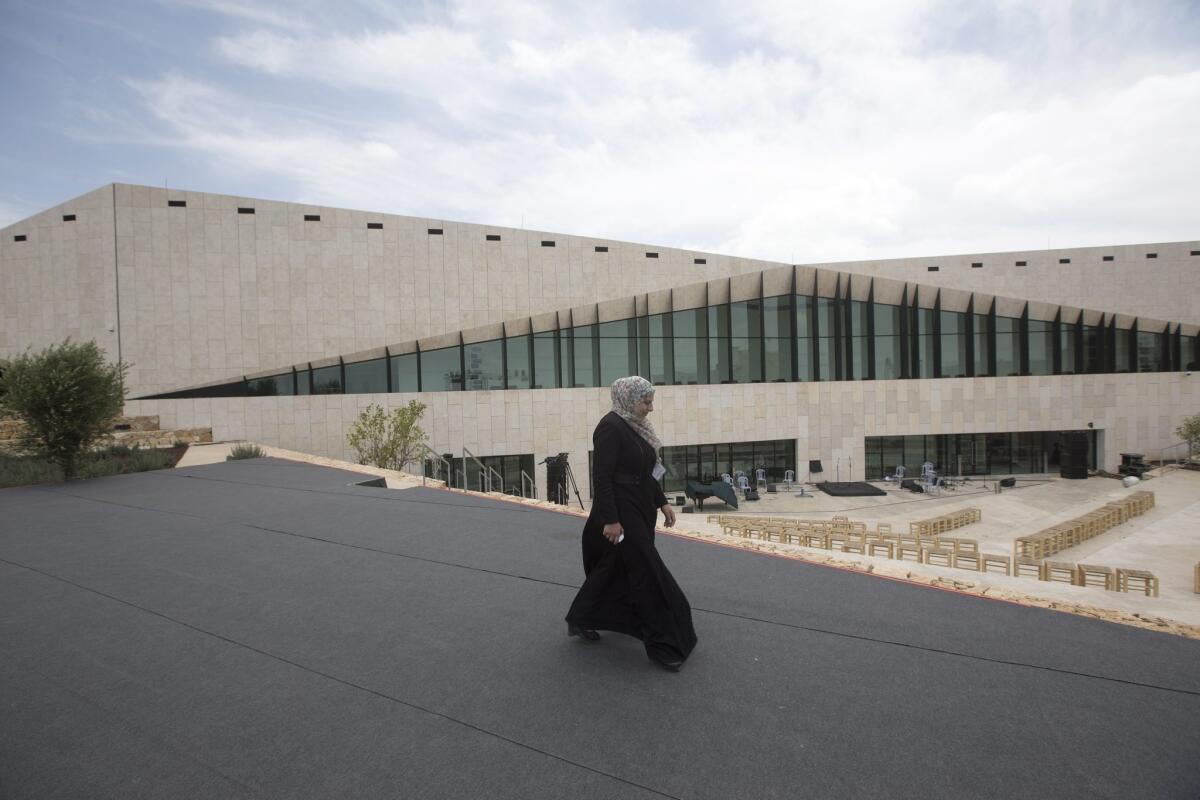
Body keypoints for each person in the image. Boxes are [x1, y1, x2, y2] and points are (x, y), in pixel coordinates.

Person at [564, 376, 698, 672]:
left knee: (615, 567)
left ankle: (581, 616)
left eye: (651, 401)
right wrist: (611, 520)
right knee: (647, 570)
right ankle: (664, 642)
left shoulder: (638, 427)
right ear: (628, 399)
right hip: (620, 514)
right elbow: (602, 477)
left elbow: (648, 471)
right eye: (646, 402)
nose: (651, 408)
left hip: (639, 508)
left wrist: (661, 502)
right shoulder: (610, 427)